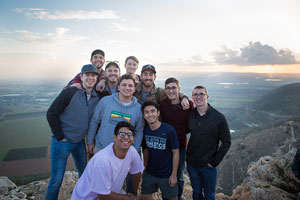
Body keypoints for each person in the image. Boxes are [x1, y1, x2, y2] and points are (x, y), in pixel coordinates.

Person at [45, 64, 100, 200]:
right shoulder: (70, 92)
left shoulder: (96, 97)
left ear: (97, 78)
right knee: (56, 180)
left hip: (80, 142)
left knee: (84, 174)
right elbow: (51, 113)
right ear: (81, 77)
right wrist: (60, 136)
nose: (90, 78)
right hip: (62, 143)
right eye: (87, 75)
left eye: (93, 75)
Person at [71, 121, 144, 200]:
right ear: (114, 138)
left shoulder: (132, 151)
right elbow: (102, 195)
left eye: (129, 134)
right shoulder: (103, 160)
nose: (126, 137)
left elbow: (137, 172)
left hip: (109, 192)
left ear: (133, 139)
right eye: (122, 134)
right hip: (90, 197)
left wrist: (133, 193)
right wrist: (128, 197)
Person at [186, 86, 231, 200]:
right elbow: (183, 131)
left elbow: (226, 142)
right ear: (192, 97)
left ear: (207, 96)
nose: (198, 97)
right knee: (196, 194)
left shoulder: (218, 117)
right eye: (195, 94)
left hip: (208, 165)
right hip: (192, 164)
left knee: (209, 196)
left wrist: (214, 162)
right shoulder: (190, 115)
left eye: (201, 94)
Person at [87, 74, 144, 154]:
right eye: (124, 85)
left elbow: (139, 131)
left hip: (124, 153)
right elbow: (94, 121)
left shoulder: (138, 109)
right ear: (119, 87)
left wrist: (135, 150)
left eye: (130, 85)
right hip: (101, 149)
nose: (127, 88)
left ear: (134, 89)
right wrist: (90, 141)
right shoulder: (105, 101)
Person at [160, 77, 194, 200]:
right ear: (165, 90)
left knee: (178, 175)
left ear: (178, 89)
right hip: (165, 146)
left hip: (180, 146)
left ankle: (178, 197)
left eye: (174, 87)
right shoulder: (162, 105)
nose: (171, 91)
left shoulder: (188, 105)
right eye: (168, 88)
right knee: (166, 173)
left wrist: (185, 98)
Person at [141, 101, 179, 200]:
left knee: (172, 198)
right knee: (145, 196)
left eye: (153, 111)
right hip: (150, 172)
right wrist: (145, 167)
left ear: (158, 113)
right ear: (144, 115)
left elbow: (176, 152)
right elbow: (146, 150)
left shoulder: (169, 130)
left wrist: (174, 174)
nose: (150, 114)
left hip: (166, 174)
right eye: (147, 112)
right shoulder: (145, 130)